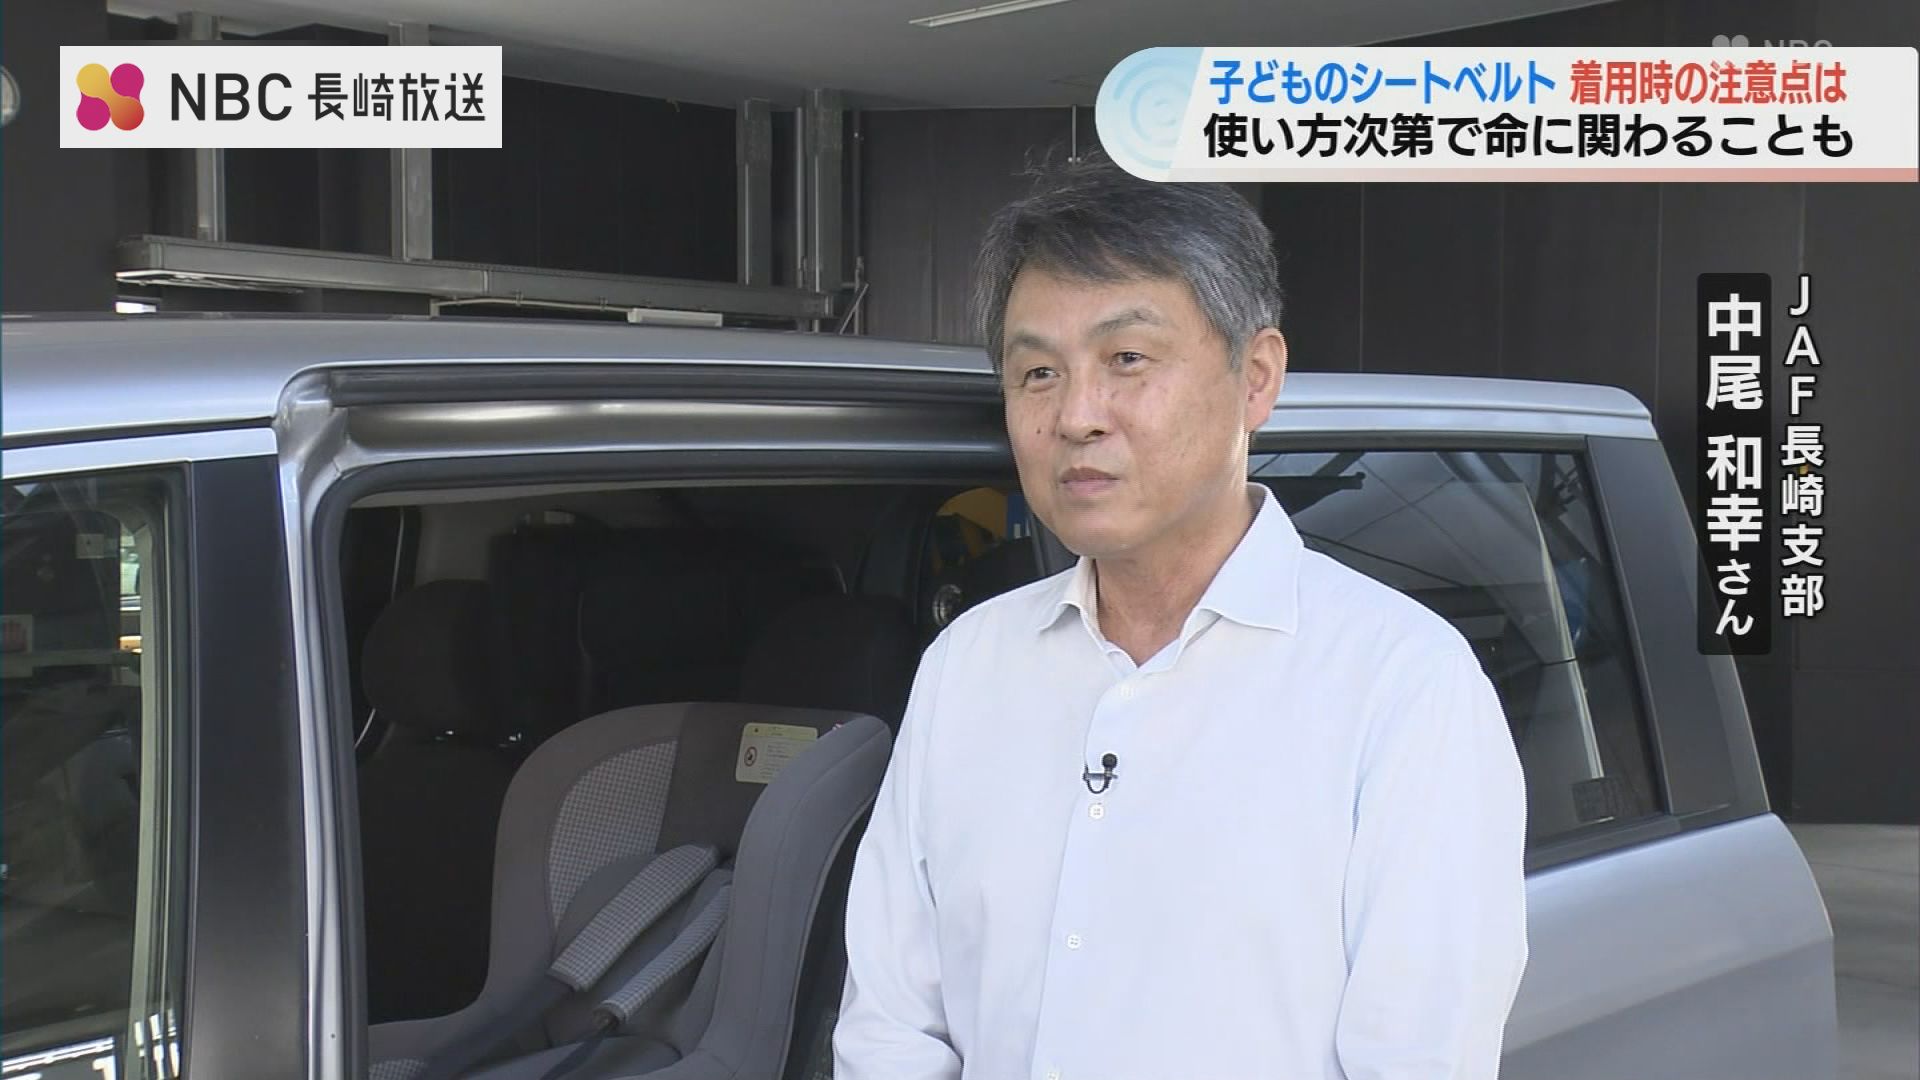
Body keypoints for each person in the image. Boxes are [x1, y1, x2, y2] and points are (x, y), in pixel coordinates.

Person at [832, 154, 1529, 1080]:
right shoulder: (968, 666)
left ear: (1257, 377)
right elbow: (889, 1028)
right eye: (1037, 372)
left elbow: (1417, 1061)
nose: (1077, 415)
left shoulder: (1401, 686)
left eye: (1127, 359)